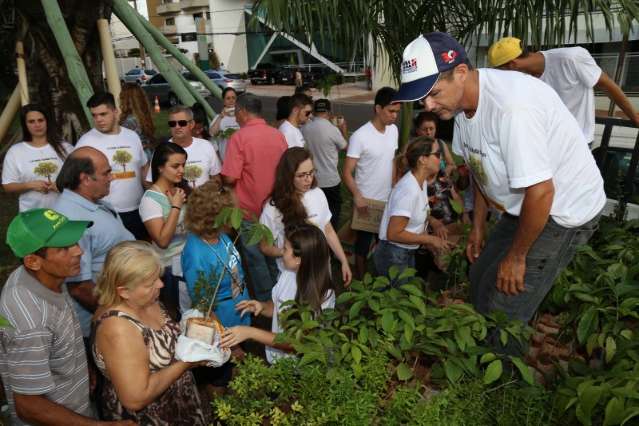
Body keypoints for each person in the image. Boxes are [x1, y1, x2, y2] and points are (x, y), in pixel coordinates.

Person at [394, 32, 606, 351]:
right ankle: (484, 357)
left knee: (506, 304)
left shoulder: (512, 109)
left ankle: (502, 388)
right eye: (423, 98)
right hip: (524, 203)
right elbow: (479, 171)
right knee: (480, 275)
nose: (428, 105)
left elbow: (542, 192)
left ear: (461, 73)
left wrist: (517, 257)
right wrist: (478, 228)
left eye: (434, 93)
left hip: (563, 209)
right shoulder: (463, 106)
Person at [0, 209, 127, 426]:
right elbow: (28, 406)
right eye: (64, 248)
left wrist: (80, 362)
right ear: (33, 261)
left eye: (74, 242)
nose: (78, 251)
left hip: (77, 403)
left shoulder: (46, 277)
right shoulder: (31, 322)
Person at [92, 241, 207, 424]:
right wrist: (187, 363)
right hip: (151, 418)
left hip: (179, 405)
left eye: (158, 277)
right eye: (150, 282)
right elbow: (135, 398)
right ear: (124, 291)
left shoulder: (148, 299)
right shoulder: (118, 328)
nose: (160, 284)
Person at [487, 37, 639, 144]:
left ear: (512, 65)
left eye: (500, 71)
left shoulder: (570, 58)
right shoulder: (523, 80)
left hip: (578, 143)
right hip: (544, 143)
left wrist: (635, 118)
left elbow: (608, 86)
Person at [220, 224, 335, 363]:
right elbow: (277, 307)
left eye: (285, 249)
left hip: (300, 368)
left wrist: (250, 332)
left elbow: (296, 343)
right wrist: (262, 307)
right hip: (277, 358)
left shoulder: (323, 295)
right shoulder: (288, 274)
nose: (281, 252)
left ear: (299, 259)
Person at [53, 147, 135, 339]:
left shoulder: (94, 203)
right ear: (85, 179)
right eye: (106, 173)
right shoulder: (71, 220)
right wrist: (116, 317)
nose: (112, 177)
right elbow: (79, 287)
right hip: (103, 328)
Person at [222, 94, 287, 301]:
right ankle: (283, 296)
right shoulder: (277, 135)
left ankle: (267, 303)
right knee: (275, 254)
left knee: (256, 259)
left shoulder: (239, 137)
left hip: (249, 211)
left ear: (241, 112)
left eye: (236, 114)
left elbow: (231, 178)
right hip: (277, 208)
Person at [259, 147, 352, 285]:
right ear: (288, 175)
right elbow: (265, 246)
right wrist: (288, 252)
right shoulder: (273, 209)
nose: (308, 179)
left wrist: (343, 260)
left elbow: (328, 229)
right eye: (301, 175)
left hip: (322, 271)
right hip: (294, 278)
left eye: (311, 172)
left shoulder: (318, 193)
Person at [375, 137, 453, 279]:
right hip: (394, 255)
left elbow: (419, 210)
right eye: (437, 154)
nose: (440, 158)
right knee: (397, 299)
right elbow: (393, 233)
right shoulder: (408, 190)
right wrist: (430, 240)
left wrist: (433, 223)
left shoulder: (420, 182)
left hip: (404, 252)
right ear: (423, 160)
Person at [343, 87, 400, 279]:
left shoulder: (394, 131)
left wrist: (394, 185)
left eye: (397, 112)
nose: (394, 116)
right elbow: (347, 172)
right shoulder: (360, 136)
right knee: (362, 244)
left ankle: (383, 278)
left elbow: (392, 159)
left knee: (385, 240)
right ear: (378, 108)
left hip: (387, 199)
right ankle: (361, 281)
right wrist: (358, 197)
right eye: (391, 111)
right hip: (366, 201)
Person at [75, 92, 149, 241]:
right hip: (107, 212)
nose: (99, 120)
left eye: (103, 114)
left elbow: (143, 169)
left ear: (115, 112)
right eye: (94, 115)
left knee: (141, 256)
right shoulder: (86, 142)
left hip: (139, 209)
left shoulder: (132, 136)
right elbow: (75, 179)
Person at [182, 180, 250, 327]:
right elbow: (203, 306)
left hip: (240, 314)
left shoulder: (221, 235)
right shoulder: (195, 255)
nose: (236, 213)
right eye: (231, 210)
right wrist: (232, 345)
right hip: (224, 325)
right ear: (215, 217)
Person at [140, 143, 189, 318]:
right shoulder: (150, 200)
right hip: (170, 270)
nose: (181, 170)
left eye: (183, 165)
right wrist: (176, 207)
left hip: (189, 262)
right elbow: (162, 240)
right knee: (178, 316)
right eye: (175, 166)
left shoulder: (181, 190)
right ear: (160, 168)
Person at [2, 104, 72, 211]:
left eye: (40, 120)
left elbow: (81, 178)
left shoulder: (65, 148)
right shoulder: (15, 151)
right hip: (32, 214)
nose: (37, 125)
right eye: (31, 121)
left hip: (66, 212)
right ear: (25, 125)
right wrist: (29, 185)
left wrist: (61, 187)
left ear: (47, 121)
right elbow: (7, 186)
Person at [146, 105, 221, 188]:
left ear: (191, 124)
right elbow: (151, 183)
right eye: (173, 123)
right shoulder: (160, 151)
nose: (177, 127)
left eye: (182, 123)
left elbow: (216, 179)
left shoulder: (207, 146)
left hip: (204, 200)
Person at [301, 99, 348, 228]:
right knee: (333, 213)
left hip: (311, 179)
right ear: (329, 112)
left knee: (313, 213)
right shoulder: (332, 129)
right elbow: (345, 147)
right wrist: (343, 129)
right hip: (330, 180)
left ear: (314, 112)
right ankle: (331, 239)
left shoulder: (304, 128)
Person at [119, 82, 156, 161]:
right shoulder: (143, 116)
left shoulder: (130, 121)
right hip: (148, 154)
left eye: (122, 97)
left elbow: (123, 144)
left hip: (137, 158)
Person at [413, 111, 456, 177]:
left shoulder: (440, 144)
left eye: (431, 129)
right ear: (417, 130)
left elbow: (452, 164)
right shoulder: (413, 147)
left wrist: (446, 171)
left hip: (440, 183)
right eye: (425, 129)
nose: (428, 132)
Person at [209, 87, 240, 161]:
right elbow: (212, 133)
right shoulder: (218, 118)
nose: (231, 100)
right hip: (225, 161)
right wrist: (220, 117)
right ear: (223, 101)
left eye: (233, 98)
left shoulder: (242, 117)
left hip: (241, 160)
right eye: (228, 98)